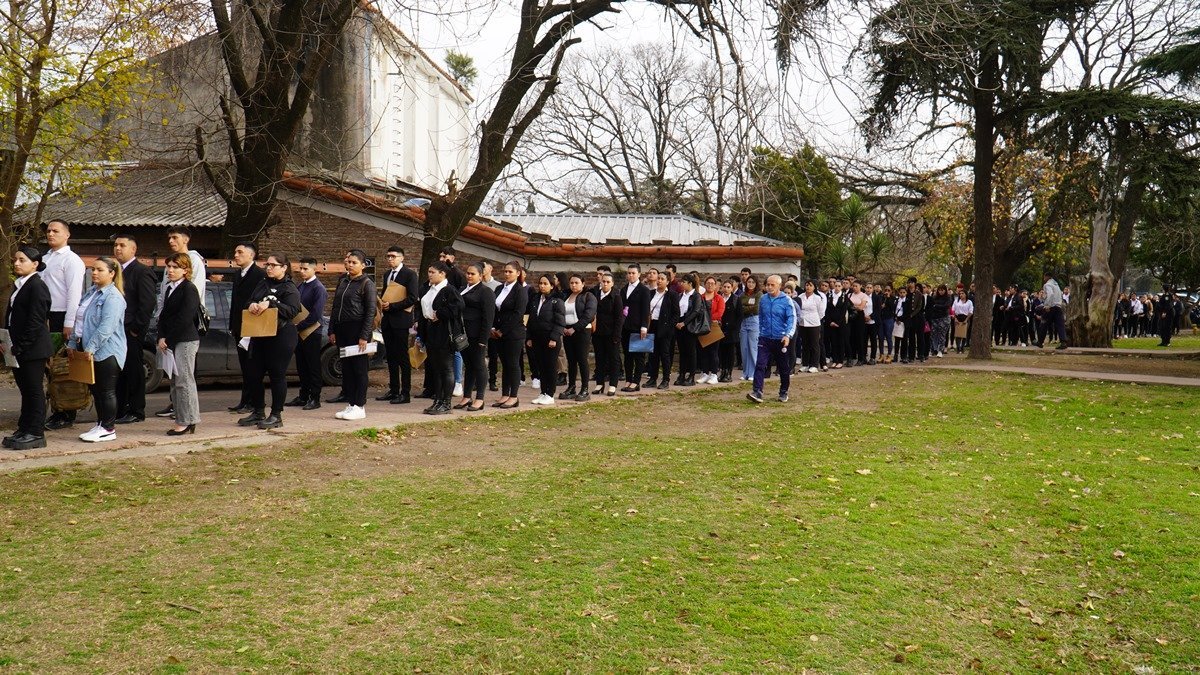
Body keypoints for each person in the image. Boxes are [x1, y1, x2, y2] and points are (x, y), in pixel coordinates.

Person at [237, 253, 301, 430]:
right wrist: (251, 304)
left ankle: (276, 415)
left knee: (276, 374)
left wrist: (272, 304)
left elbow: (293, 311)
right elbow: (250, 299)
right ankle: (258, 411)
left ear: (284, 268)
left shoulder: (289, 288)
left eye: (273, 265)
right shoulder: (263, 283)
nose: (269, 268)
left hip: (281, 336)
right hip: (259, 333)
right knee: (253, 373)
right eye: (267, 265)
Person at [67, 257, 127, 443]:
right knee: (96, 389)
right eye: (93, 269)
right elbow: (80, 321)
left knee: (106, 390)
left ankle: (109, 428)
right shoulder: (92, 292)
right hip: (87, 349)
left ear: (112, 273)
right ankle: (101, 424)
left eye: (100, 270)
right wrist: (71, 343)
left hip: (107, 351)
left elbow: (106, 327)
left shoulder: (113, 297)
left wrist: (91, 347)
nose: (94, 273)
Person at [4, 247, 53, 450]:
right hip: (18, 347)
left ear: (35, 264)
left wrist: (21, 345)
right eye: (15, 260)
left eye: (22, 260)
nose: (16, 263)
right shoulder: (20, 285)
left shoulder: (37, 286)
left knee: (34, 391)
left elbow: (35, 320)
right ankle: (24, 428)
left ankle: (35, 432)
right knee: (25, 390)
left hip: (33, 349)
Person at [40, 219, 87, 430]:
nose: (51, 234)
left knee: (62, 368)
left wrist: (70, 323)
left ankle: (66, 413)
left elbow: (74, 294)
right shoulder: (44, 259)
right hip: (45, 316)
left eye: (55, 231)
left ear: (67, 235)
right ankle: (55, 408)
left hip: (62, 317)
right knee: (49, 367)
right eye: (49, 231)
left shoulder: (71, 260)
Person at [111, 234, 156, 425]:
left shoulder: (141, 271)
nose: (118, 249)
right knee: (119, 371)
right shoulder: (114, 271)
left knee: (134, 370)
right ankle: (120, 409)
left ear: (133, 249)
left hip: (131, 330)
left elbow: (147, 304)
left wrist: (136, 329)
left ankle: (136, 410)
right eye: (115, 245)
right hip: (116, 329)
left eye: (122, 245)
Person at [156, 253, 202, 436]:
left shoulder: (188, 288)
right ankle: (182, 418)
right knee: (175, 381)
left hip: (186, 340)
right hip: (172, 340)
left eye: (175, 267)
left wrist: (169, 339)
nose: (171, 270)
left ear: (186, 270)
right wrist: (161, 336)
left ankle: (188, 420)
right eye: (169, 266)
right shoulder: (169, 288)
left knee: (184, 380)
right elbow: (164, 316)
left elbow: (185, 317)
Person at [329, 250, 376, 420]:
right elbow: (335, 306)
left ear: (363, 265)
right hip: (342, 329)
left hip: (357, 329)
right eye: (348, 261)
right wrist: (332, 329)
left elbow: (370, 311)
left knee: (359, 369)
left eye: (354, 262)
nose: (349, 265)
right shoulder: (343, 281)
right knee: (347, 369)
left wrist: (364, 335)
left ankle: (360, 405)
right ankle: (351, 404)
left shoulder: (367, 283)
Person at [417, 261, 464, 415]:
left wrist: (440, 314)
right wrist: (421, 335)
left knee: (446, 368)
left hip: (444, 332)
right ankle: (437, 400)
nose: (429, 274)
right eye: (429, 272)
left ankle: (446, 402)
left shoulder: (448, 289)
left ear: (443, 274)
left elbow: (458, 307)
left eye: (433, 272)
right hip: (431, 331)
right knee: (435, 369)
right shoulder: (429, 289)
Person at [377, 246, 420, 404]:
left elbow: (413, 298)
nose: (390, 259)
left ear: (402, 258)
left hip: (401, 320)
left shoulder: (409, 274)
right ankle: (393, 389)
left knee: (402, 357)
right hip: (387, 320)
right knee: (391, 356)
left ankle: (405, 392)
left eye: (393, 256)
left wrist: (393, 306)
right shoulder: (387, 274)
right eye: (388, 256)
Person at [227, 242, 265, 415]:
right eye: (235, 251)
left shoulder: (259, 275)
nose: (236, 255)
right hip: (238, 326)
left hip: (252, 327)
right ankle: (244, 401)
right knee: (244, 365)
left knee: (252, 366)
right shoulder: (237, 274)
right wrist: (232, 325)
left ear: (251, 255)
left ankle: (252, 402)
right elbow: (235, 302)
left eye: (240, 252)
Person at [285, 258, 328, 410]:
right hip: (299, 331)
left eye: (305, 269)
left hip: (312, 332)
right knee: (302, 366)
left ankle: (314, 398)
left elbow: (316, 314)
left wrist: (299, 326)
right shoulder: (300, 286)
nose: (302, 271)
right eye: (300, 269)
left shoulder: (318, 288)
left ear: (314, 269)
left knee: (313, 366)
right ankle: (303, 395)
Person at [747, 275, 796, 403]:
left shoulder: (786, 300)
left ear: (779, 286)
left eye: (772, 285)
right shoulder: (763, 299)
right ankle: (757, 391)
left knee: (783, 368)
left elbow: (791, 319)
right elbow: (761, 317)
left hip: (781, 339)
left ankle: (783, 391)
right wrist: (761, 332)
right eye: (767, 284)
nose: (769, 287)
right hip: (765, 338)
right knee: (760, 364)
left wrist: (787, 335)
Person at [456, 263, 496, 411]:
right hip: (463, 334)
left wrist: (483, 340)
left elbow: (488, 317)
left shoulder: (485, 292)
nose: (469, 276)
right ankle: (466, 397)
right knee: (469, 365)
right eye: (468, 273)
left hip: (477, 334)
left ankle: (480, 398)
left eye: (473, 274)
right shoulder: (462, 289)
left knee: (479, 365)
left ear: (480, 275)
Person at [491, 262, 528, 409]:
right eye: (505, 271)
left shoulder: (520, 290)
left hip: (513, 333)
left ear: (518, 273)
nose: (507, 274)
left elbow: (518, 313)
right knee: (504, 364)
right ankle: (505, 394)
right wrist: (493, 328)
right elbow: (494, 309)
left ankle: (514, 396)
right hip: (498, 332)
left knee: (513, 364)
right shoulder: (500, 288)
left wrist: (503, 330)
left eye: (510, 272)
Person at [526, 273, 566, 405]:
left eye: (545, 284)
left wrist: (554, 338)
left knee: (550, 366)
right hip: (537, 338)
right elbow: (531, 319)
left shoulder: (557, 301)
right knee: (541, 366)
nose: (542, 286)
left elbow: (560, 321)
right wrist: (529, 337)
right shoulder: (536, 299)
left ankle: (550, 393)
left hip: (550, 338)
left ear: (552, 286)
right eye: (541, 283)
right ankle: (543, 392)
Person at [561, 273, 597, 401]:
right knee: (571, 361)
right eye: (571, 283)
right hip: (567, 331)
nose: (574, 285)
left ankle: (585, 388)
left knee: (582, 360)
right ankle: (571, 387)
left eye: (576, 282)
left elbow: (589, 315)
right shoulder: (566, 295)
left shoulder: (588, 296)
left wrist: (574, 328)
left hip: (582, 331)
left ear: (583, 283)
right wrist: (563, 327)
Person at [644, 272, 680, 389]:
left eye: (662, 279)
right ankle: (652, 378)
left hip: (665, 327)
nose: (659, 281)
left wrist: (669, 327)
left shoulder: (672, 295)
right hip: (652, 325)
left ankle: (665, 380)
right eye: (658, 278)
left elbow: (676, 314)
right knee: (653, 355)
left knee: (664, 354)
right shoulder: (650, 293)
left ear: (667, 282)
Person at [592, 272, 624, 396]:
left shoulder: (616, 297)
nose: (605, 284)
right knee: (599, 359)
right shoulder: (595, 295)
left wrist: (616, 335)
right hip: (598, 333)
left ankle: (612, 384)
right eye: (603, 281)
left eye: (608, 282)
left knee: (613, 359)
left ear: (612, 284)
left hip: (611, 334)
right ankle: (599, 383)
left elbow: (619, 318)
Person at [620, 264, 651, 392]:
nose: (630, 275)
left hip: (638, 327)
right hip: (625, 326)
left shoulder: (644, 290)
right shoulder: (624, 289)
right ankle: (628, 379)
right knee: (627, 356)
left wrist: (644, 326)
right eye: (629, 273)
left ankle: (636, 381)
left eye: (633, 273)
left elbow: (645, 310)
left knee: (638, 355)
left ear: (639, 274)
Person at [674, 272, 704, 387]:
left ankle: (691, 375)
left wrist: (684, 323)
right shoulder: (681, 295)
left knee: (691, 351)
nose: (682, 284)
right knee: (682, 351)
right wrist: (677, 322)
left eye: (684, 282)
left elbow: (696, 311)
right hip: (679, 325)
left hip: (690, 326)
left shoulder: (696, 296)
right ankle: (681, 374)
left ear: (690, 283)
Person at [697, 276, 725, 384]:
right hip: (703, 327)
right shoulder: (701, 297)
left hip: (714, 327)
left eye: (712, 283)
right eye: (708, 283)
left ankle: (714, 374)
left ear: (716, 285)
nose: (710, 285)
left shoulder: (719, 298)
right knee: (703, 351)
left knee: (713, 352)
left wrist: (707, 318)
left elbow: (720, 312)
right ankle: (704, 373)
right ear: (705, 284)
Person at [797, 280, 826, 373]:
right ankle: (805, 364)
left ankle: (814, 365)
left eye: (810, 285)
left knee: (814, 344)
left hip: (814, 323)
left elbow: (821, 312)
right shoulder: (800, 297)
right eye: (806, 285)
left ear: (814, 287)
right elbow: (798, 309)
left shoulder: (817, 298)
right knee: (805, 344)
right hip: (802, 323)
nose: (808, 287)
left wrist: (816, 318)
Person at [737, 275, 762, 380]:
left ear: (756, 283)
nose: (750, 284)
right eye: (749, 282)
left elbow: (756, 309)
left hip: (754, 321)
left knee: (753, 348)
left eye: (752, 282)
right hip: (743, 322)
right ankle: (745, 372)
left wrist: (745, 307)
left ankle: (753, 373)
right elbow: (739, 309)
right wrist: (747, 307)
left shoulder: (759, 294)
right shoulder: (742, 295)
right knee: (744, 348)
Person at [718, 280, 739, 382]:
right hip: (720, 329)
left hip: (731, 330)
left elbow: (739, 316)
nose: (726, 289)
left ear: (732, 288)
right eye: (724, 287)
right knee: (721, 352)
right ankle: (723, 371)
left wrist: (735, 328)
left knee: (730, 352)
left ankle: (728, 373)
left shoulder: (735, 299)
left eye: (728, 287)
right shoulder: (719, 298)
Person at [1041, 272, 1067, 349]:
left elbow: (1050, 294)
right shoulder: (1057, 285)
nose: (1044, 279)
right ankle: (1063, 341)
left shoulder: (1047, 285)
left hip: (1051, 307)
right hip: (1058, 306)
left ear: (1046, 277)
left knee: (1044, 323)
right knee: (1060, 325)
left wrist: (1047, 305)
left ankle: (1040, 341)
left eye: (1044, 277)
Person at [928, 284, 953, 358]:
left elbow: (946, 306)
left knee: (942, 335)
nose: (941, 292)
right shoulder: (934, 297)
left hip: (944, 318)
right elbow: (932, 306)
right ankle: (933, 349)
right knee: (933, 334)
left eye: (942, 290)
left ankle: (940, 350)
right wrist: (937, 307)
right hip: (935, 318)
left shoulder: (948, 298)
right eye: (939, 290)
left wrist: (936, 306)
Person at [951, 288, 974, 353]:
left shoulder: (969, 302)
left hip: (965, 317)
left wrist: (966, 319)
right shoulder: (956, 301)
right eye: (960, 294)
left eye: (962, 293)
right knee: (958, 333)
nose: (961, 295)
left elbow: (971, 311)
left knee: (964, 333)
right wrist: (955, 318)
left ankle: (962, 347)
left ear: (966, 294)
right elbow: (953, 310)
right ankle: (958, 348)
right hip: (958, 317)